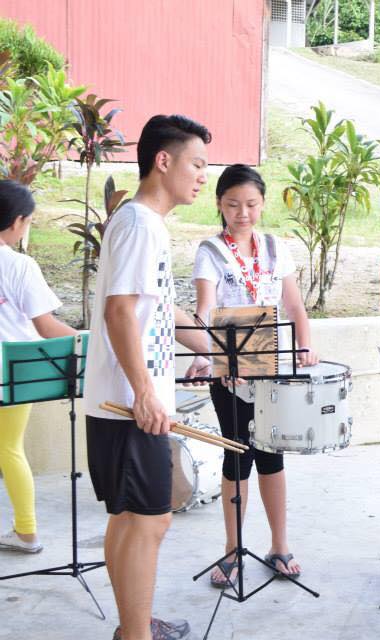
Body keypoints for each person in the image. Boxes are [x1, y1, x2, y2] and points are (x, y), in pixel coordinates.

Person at [84, 114, 213, 640]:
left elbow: (154, 310)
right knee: (150, 520)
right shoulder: (140, 224)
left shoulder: (143, 223)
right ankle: (136, 634)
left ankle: (132, 625)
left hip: (130, 398)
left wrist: (220, 349)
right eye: (196, 163)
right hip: (130, 402)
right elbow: (119, 312)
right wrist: (144, 392)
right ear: (163, 160)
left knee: (129, 518)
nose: (203, 175)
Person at [184, 164, 318, 587]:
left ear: (262, 204)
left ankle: (280, 546)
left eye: (251, 204)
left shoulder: (276, 248)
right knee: (237, 454)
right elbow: (204, 309)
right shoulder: (210, 251)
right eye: (232, 204)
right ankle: (233, 549)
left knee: (273, 456)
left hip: (273, 366)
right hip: (229, 369)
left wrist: (305, 345)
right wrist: (209, 357)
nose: (242, 213)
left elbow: (294, 306)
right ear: (219, 205)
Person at [0, 180, 77, 555]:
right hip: (14, 373)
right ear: (17, 221)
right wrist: (90, 341)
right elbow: (46, 327)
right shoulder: (19, 265)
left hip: (13, 372)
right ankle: (27, 531)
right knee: (10, 449)